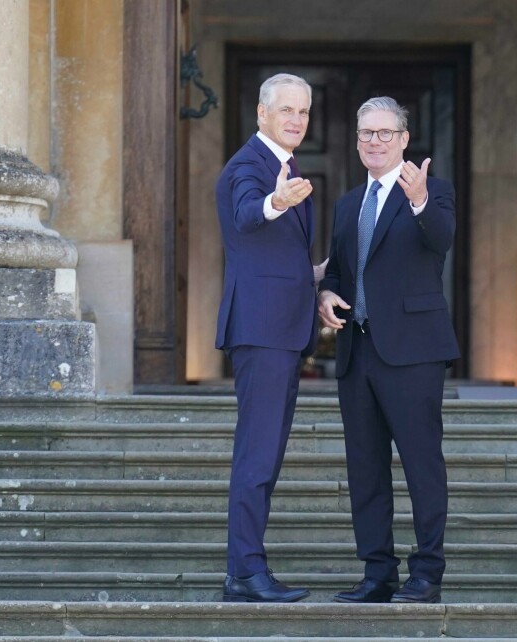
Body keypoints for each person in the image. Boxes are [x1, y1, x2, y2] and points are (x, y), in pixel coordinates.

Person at [317, 96, 460, 604]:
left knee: (422, 465)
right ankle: (378, 572)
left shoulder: (433, 191)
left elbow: (440, 240)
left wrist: (419, 200)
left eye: (384, 133)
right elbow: (338, 269)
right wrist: (327, 292)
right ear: (357, 142)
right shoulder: (348, 202)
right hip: (357, 352)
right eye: (365, 134)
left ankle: (427, 574)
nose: (374, 142)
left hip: (414, 352)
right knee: (366, 469)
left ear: (404, 140)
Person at [215, 73, 320, 603]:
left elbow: (279, 257)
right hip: (260, 332)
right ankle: (245, 573)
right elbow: (246, 213)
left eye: (303, 111)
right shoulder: (250, 168)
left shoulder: (285, 166)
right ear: (261, 113)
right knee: (256, 457)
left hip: (282, 331)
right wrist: (275, 203)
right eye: (286, 110)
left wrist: (318, 281)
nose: (296, 120)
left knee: (267, 457)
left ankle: (248, 567)